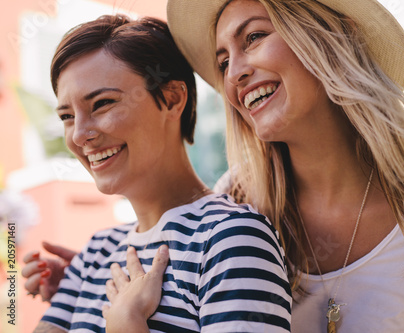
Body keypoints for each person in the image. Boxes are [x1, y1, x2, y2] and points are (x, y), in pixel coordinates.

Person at [24, 1, 404, 332]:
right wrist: (85, 286)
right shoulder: (236, 198)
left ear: (330, 39)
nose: (235, 73)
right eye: (223, 59)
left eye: (253, 37)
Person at [25, 14, 292, 333]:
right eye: (67, 116)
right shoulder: (95, 252)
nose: (80, 134)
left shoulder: (231, 240)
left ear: (172, 98)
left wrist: (128, 326)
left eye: (102, 103)